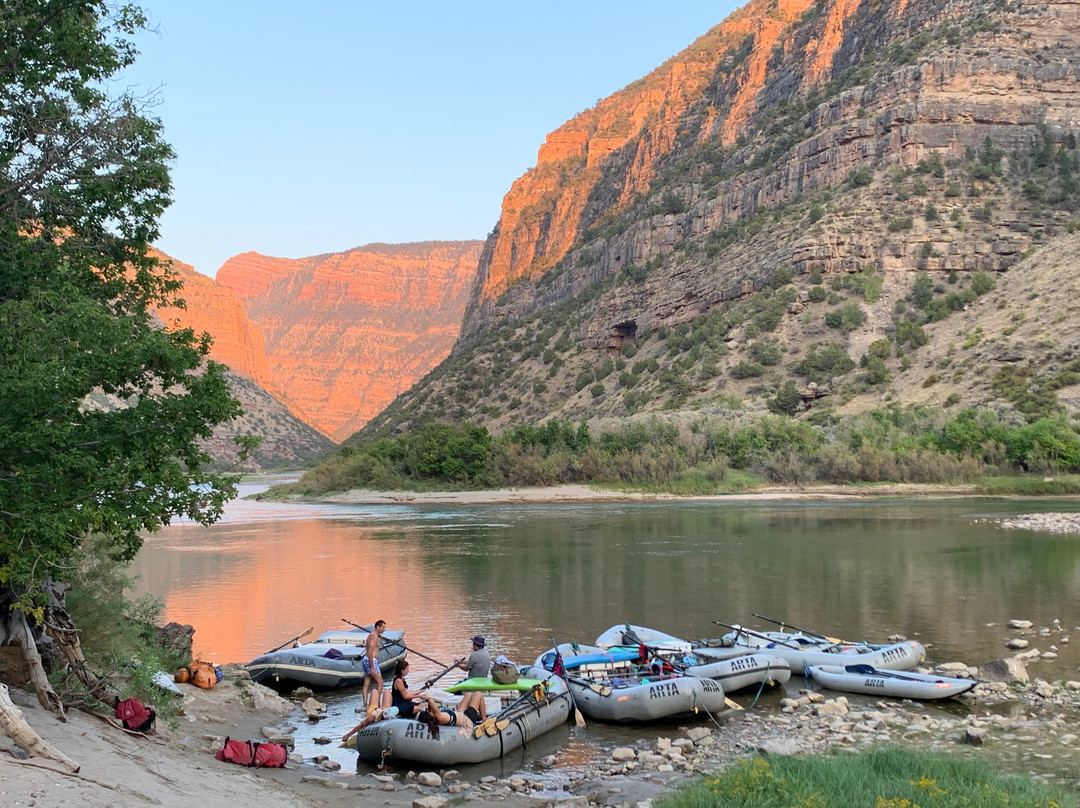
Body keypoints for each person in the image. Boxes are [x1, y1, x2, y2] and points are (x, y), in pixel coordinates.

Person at [416, 692, 487, 739]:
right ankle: (484, 719)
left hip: (459, 713)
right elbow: (431, 701)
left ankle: (483, 717)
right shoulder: (438, 717)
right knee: (478, 694)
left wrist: (429, 709)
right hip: (466, 719)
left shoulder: (434, 716)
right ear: (429, 715)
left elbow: (431, 707)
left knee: (468, 694)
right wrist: (426, 697)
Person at [362, 620, 387, 712]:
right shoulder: (374, 636)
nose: (384, 629)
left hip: (366, 659)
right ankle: (377, 702)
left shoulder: (371, 635)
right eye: (383, 627)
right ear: (378, 627)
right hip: (371, 660)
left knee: (366, 683)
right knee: (380, 681)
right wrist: (372, 667)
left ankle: (365, 704)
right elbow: (370, 652)